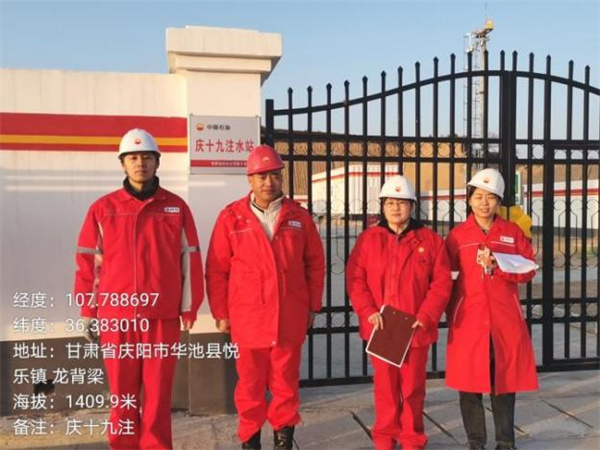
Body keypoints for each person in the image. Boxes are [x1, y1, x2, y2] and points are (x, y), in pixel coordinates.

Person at [74, 128, 204, 450]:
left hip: (161, 317)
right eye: (132, 158)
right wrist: (88, 310)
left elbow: (190, 259)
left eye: (146, 157)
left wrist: (189, 306)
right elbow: (88, 265)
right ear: (122, 163)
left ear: (157, 162)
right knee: (123, 395)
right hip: (116, 318)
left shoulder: (176, 207)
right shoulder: (103, 209)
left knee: (158, 396)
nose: (140, 163)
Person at [205, 145, 325, 450]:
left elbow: (315, 263)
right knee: (250, 386)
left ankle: (283, 442)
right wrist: (221, 312)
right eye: (261, 176)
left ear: (281, 178)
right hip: (249, 318)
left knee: (285, 385)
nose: (268, 182)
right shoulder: (232, 217)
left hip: (288, 316)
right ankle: (250, 441)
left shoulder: (299, 217)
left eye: (274, 176)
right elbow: (216, 269)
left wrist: (313, 305)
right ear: (250, 179)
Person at [346, 175, 452, 450]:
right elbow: (355, 279)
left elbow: (441, 283)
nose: (396, 208)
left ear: (412, 206)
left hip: (415, 327)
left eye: (402, 203)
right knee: (386, 389)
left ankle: (412, 438)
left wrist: (426, 315)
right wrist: (368, 310)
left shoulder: (430, 240)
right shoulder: (369, 239)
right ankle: (385, 437)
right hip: (381, 326)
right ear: (382, 206)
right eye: (390, 203)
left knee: (413, 388)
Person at [445, 168, 538, 450]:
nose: (484, 203)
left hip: (504, 319)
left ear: (498, 201)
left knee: (504, 382)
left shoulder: (512, 232)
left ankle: (505, 441)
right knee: (469, 384)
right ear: (469, 200)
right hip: (469, 319)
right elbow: (446, 277)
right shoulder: (457, 236)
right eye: (478, 197)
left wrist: (499, 265)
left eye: (490, 197)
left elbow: (528, 270)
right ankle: (476, 440)